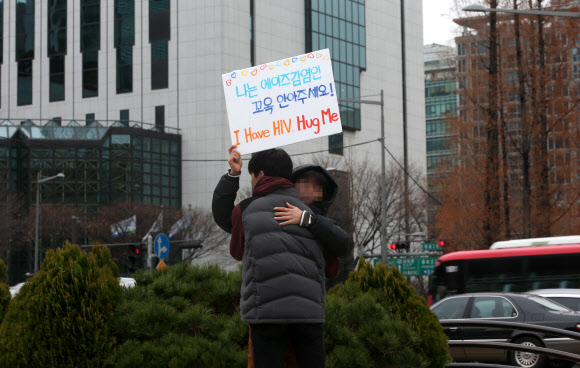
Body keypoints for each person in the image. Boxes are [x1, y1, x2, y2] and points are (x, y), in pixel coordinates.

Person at [213, 146, 349, 368]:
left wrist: (232, 175)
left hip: (265, 313)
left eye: (251, 176)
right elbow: (332, 267)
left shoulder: (246, 209)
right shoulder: (312, 211)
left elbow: (236, 251)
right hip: (309, 314)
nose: (251, 182)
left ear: (261, 176)